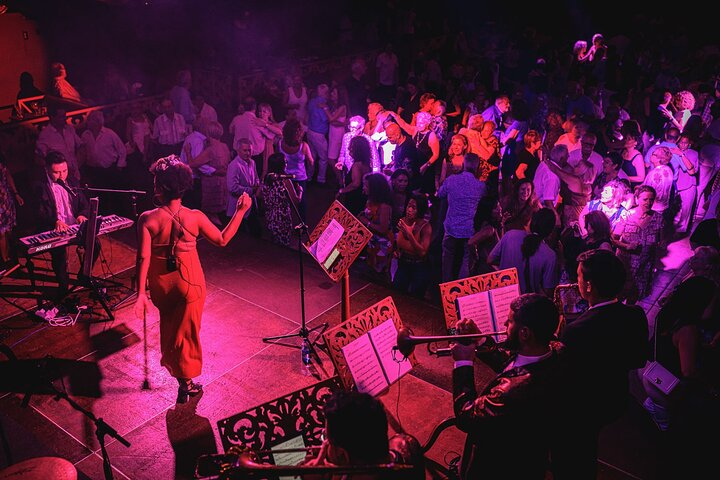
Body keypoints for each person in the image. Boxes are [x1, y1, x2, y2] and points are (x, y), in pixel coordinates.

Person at [134, 156, 252, 404]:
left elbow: (143, 257)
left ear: (160, 187)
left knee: (171, 330)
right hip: (190, 284)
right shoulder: (195, 217)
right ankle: (186, 383)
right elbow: (222, 239)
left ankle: (182, 381)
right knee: (187, 334)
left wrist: (141, 294)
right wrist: (241, 211)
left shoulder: (147, 219)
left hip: (161, 286)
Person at [554, 249, 648, 480]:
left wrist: (558, 339)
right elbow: (637, 359)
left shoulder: (576, 331)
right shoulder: (636, 314)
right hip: (616, 397)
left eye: (578, 278)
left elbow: (563, 376)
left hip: (584, 407)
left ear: (589, 286)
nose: (575, 283)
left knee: (575, 455)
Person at [452, 294, 566, 480]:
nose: (504, 324)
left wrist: (463, 363)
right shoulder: (555, 350)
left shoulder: (511, 393)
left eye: (510, 321)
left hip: (498, 466)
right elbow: (511, 364)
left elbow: (466, 415)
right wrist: (480, 340)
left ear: (525, 333)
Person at [30, 151, 94, 301]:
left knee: (94, 244)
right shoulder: (39, 187)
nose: (61, 175)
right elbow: (38, 213)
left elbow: (84, 204)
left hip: (74, 226)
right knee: (59, 255)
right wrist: (54, 221)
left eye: (64, 171)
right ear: (46, 169)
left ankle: (83, 274)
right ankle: (63, 288)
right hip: (54, 228)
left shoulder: (72, 182)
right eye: (56, 172)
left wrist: (81, 215)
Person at [393, 193, 431, 298]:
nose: (409, 209)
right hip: (403, 263)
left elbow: (422, 252)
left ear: (420, 210)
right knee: (397, 294)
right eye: (408, 206)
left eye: (413, 207)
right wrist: (397, 251)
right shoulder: (403, 221)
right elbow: (399, 242)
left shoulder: (425, 227)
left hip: (418, 267)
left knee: (415, 299)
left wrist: (410, 235)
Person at [259, 153, 302, 247]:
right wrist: (300, 191)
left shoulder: (266, 179)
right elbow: (296, 201)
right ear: (282, 165)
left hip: (270, 215)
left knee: (272, 244)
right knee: (283, 246)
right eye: (285, 162)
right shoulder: (285, 181)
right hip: (282, 218)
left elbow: (260, 195)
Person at [0, 153, 23, 267]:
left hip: (6, 202)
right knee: (1, 233)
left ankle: (13, 258)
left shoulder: (2, 164)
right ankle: (5, 260)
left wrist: (16, 194)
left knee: (10, 231)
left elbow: (8, 176)